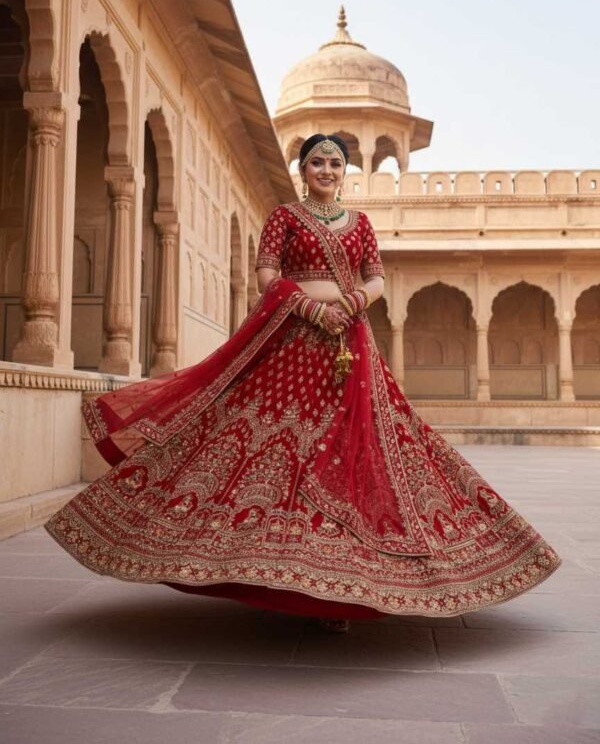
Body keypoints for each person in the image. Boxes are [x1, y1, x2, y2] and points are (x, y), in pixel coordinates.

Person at [46, 133, 561, 633]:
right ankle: (274, 570)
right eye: (318, 163)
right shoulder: (285, 218)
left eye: (336, 164)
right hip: (292, 341)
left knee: (352, 449)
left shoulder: (360, 223)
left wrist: (352, 304)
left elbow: (375, 277)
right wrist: (312, 308)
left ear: (345, 172)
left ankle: (342, 584)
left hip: (348, 345)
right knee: (279, 444)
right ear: (304, 170)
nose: (328, 171)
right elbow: (267, 274)